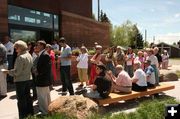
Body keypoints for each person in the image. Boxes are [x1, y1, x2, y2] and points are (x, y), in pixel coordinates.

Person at [3, 40, 33, 119]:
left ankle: (22, 116)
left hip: (20, 80)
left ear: (20, 47)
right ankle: (30, 114)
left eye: (16, 48)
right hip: (27, 79)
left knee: (21, 100)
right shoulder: (29, 54)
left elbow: (17, 72)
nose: (15, 50)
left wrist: (7, 72)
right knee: (28, 97)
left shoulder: (20, 57)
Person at [36, 40, 52, 115]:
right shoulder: (41, 54)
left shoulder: (45, 55)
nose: (36, 46)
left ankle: (44, 112)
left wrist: (37, 73)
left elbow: (46, 68)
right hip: (43, 79)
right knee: (46, 96)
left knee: (42, 97)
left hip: (42, 80)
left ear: (42, 46)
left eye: (38, 45)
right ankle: (48, 110)